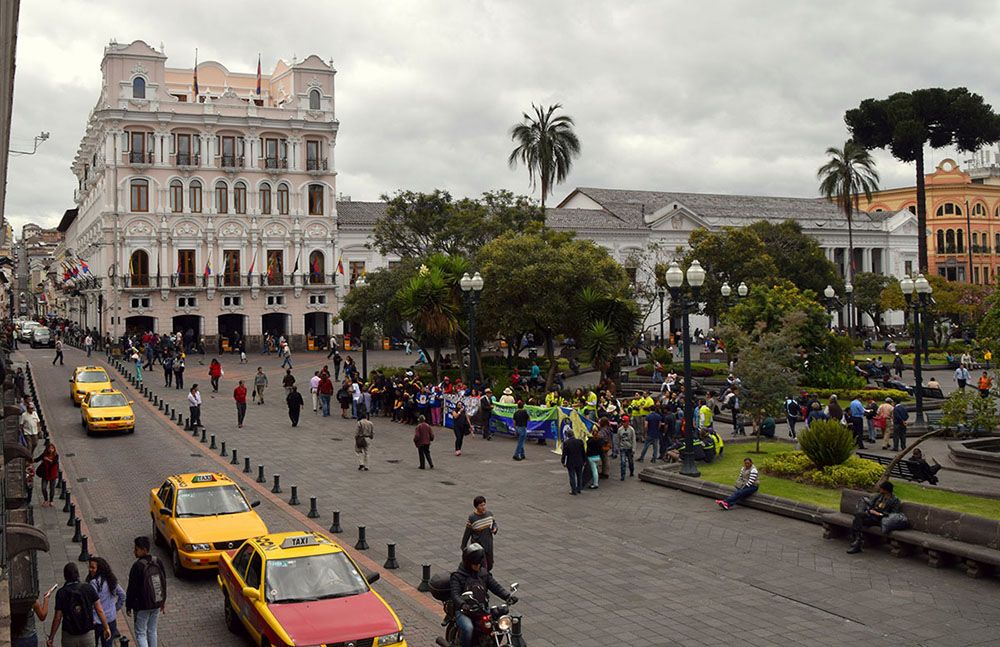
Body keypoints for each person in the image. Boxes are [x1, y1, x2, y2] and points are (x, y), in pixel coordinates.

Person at [449, 543, 514, 647]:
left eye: (479, 563)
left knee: (499, 625)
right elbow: (455, 594)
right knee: (468, 628)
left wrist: (507, 596)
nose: (478, 566)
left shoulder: (483, 573)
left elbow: (495, 586)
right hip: (464, 612)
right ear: (468, 563)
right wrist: (462, 605)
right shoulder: (457, 577)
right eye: (475, 564)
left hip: (482, 609)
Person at [48, 562, 110, 647]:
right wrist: (106, 627)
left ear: (65, 576)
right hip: (87, 634)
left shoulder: (61, 593)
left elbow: (57, 618)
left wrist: (51, 637)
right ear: (77, 574)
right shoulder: (88, 588)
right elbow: (99, 610)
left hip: (69, 635)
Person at [126, 536, 166, 647]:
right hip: (156, 602)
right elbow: (163, 582)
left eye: (136, 549)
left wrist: (129, 606)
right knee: (152, 630)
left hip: (142, 605)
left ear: (144, 549)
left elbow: (132, 588)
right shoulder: (157, 561)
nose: (134, 551)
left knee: (140, 633)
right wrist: (162, 601)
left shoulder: (137, 566)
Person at [847, 481, 901, 554]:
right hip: (871, 516)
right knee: (858, 516)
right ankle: (858, 540)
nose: (880, 490)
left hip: (881, 520)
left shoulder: (895, 500)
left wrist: (879, 514)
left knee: (857, 520)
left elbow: (893, 515)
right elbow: (870, 505)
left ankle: (857, 541)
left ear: (886, 490)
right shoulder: (879, 496)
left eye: (881, 488)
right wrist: (869, 510)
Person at [87, 557, 125, 647]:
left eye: (93, 568)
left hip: (99, 622)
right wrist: (115, 609)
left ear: (99, 569)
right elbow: (122, 595)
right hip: (111, 619)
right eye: (90, 567)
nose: (90, 570)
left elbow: (94, 604)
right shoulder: (111, 580)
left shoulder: (94, 583)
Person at [461, 496, 499, 571]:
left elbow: (494, 523)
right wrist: (463, 546)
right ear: (476, 506)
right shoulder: (472, 518)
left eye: (484, 504)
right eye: (481, 505)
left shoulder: (489, 514)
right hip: (478, 547)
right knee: (481, 567)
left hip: (489, 545)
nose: (483, 507)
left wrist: (495, 528)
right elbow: (467, 533)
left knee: (490, 565)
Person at [10, 581, 51, 647]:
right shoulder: (31, 600)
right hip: (30, 637)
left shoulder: (11, 599)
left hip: (15, 637)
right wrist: (46, 599)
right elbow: (42, 616)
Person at [34, 442, 59, 507]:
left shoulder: (56, 455)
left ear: (54, 449)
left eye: (52, 448)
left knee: (52, 488)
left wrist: (47, 459)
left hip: (52, 475)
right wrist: (30, 460)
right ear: (47, 449)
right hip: (45, 474)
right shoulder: (44, 454)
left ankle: (51, 501)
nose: (51, 450)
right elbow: (37, 459)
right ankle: (46, 500)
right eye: (49, 448)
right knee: (43, 488)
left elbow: (54, 463)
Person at [561, 429, 586, 494]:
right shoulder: (580, 441)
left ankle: (573, 490)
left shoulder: (566, 443)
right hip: (579, 461)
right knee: (579, 475)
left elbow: (564, 454)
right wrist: (584, 460)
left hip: (571, 462)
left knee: (572, 476)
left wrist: (563, 462)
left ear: (567, 435)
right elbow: (583, 452)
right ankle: (579, 488)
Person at [618, 415, 636, 480]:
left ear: (628, 422)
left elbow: (633, 440)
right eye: (623, 422)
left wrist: (633, 449)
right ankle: (622, 475)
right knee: (623, 462)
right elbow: (618, 438)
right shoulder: (620, 429)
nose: (624, 423)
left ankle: (632, 471)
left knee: (630, 462)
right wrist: (618, 447)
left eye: (625, 422)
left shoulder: (631, 430)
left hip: (629, 448)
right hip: (622, 447)